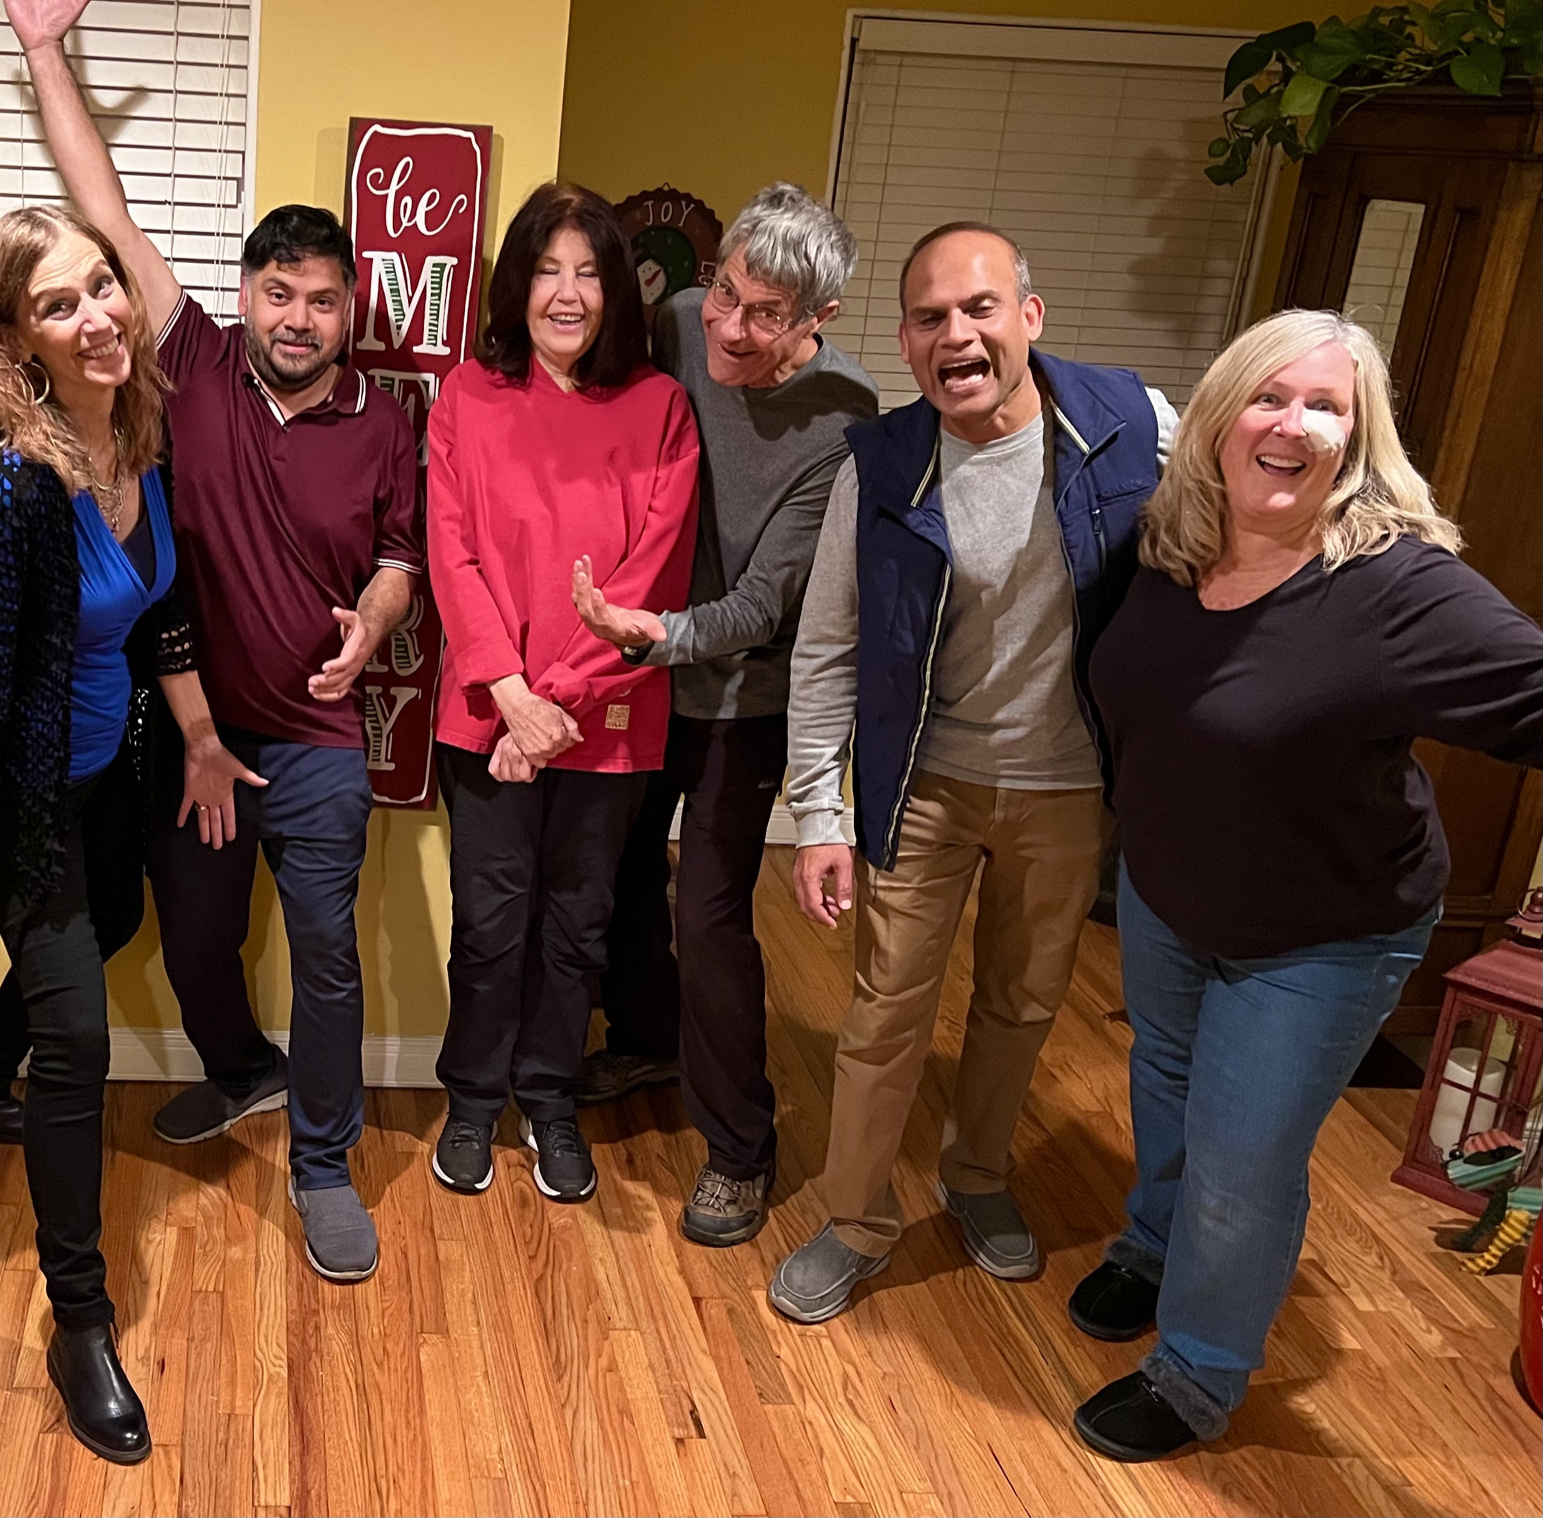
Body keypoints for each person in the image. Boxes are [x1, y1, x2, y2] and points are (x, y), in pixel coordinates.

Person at [0, 0, 422, 1286]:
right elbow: (103, 207)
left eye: (322, 299)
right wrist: (46, 55)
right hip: (198, 737)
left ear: (350, 310)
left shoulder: (386, 420)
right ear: (247, 296)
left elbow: (402, 558)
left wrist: (377, 619)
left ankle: (324, 1163)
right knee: (188, 937)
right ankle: (240, 1067)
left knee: (329, 949)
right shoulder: (198, 362)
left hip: (320, 739)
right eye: (278, 293)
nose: (299, 318)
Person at [1067, 309, 1543, 1461]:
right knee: (1166, 1083)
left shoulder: (1397, 586)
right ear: (1221, 417)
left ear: (1358, 436)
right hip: (1170, 889)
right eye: (1267, 396)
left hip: (1324, 928)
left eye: (1324, 405)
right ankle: (1153, 1243)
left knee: (1245, 1154)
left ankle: (1198, 1372)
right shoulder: (1171, 541)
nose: (1290, 423)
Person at [769, 222, 1179, 1321]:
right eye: (929, 317)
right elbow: (828, 647)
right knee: (883, 1012)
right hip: (925, 781)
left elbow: (1250, 516)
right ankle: (856, 1219)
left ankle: (978, 1173)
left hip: (1070, 786)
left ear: (1028, 317)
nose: (956, 334)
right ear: (905, 342)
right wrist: (819, 815)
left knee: (1021, 1001)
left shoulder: (1133, 426)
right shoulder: (878, 464)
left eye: (979, 307)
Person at [0, 199, 198, 1464]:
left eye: (101, 284)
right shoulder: (5, 479)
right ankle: (80, 1321)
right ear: (17, 339)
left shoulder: (140, 428)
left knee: (116, 918)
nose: (97, 315)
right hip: (22, 793)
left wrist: (203, 735)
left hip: (108, 767)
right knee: (78, 1039)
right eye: (58, 304)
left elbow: (161, 607)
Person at [570, 183, 880, 1247]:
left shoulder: (846, 419)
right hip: (641, 672)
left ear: (817, 319)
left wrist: (647, 630)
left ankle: (741, 1148)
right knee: (616, 869)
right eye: (727, 295)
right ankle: (650, 1038)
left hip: (745, 695)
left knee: (706, 914)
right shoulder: (674, 324)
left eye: (765, 316)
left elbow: (761, 605)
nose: (731, 329)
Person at [427, 182, 701, 1203]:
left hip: (607, 720)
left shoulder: (661, 408)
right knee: (488, 922)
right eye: (548, 270)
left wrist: (555, 707)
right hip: (488, 714)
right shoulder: (467, 397)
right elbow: (451, 551)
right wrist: (513, 695)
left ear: (618, 290)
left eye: (589, 271)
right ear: (518, 285)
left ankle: (548, 1095)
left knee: (579, 923)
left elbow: (655, 576)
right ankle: (471, 1096)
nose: (569, 293)